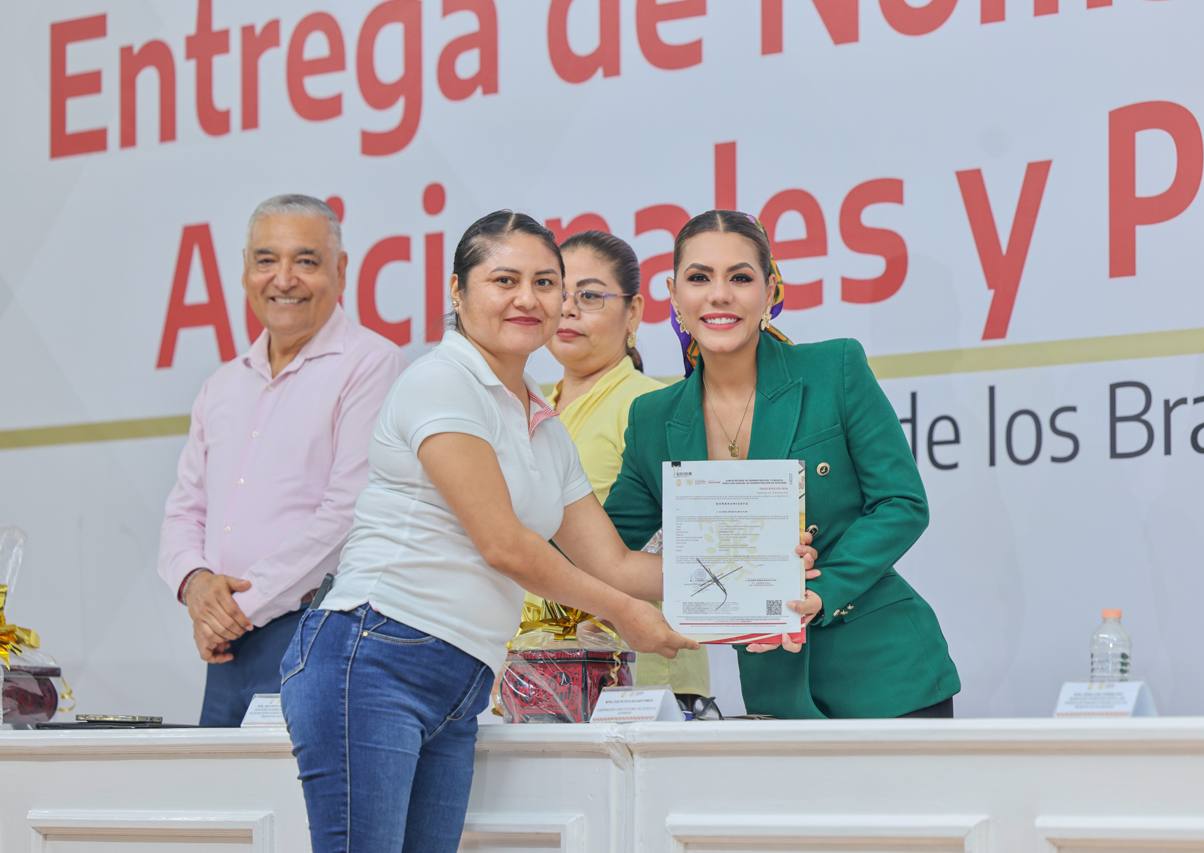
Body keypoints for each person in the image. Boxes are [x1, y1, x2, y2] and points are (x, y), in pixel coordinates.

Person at [278, 210, 821, 852]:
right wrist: (626, 615)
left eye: (545, 282)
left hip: (462, 675)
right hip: (375, 653)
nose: (527, 299)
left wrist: (765, 576)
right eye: (503, 280)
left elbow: (613, 562)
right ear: (458, 292)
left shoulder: (541, 422)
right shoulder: (441, 382)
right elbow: (504, 544)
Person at [604, 209, 961, 719]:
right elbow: (605, 548)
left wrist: (821, 589)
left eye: (741, 278)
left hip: (889, 676)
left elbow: (901, 503)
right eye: (699, 277)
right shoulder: (652, 418)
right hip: (776, 696)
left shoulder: (835, 368)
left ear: (770, 291)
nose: (719, 294)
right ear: (674, 293)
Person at [157, 193, 406, 726]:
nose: (283, 278)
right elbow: (184, 511)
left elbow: (348, 514)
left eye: (305, 261)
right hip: (227, 650)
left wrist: (231, 612)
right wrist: (195, 584)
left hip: (318, 636)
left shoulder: (370, 364)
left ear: (340, 270)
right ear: (246, 270)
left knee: (301, 809)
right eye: (266, 260)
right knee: (227, 805)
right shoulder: (222, 385)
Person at [538, 230, 712, 710]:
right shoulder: (529, 408)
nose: (568, 308)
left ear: (633, 312)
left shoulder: (648, 405)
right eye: (556, 290)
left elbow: (693, 545)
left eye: (590, 295)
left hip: (639, 677)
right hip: (537, 672)